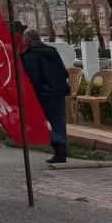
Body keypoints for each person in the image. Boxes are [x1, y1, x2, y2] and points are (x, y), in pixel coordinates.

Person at [21, 28, 71, 164]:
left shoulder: (30, 54)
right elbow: (65, 73)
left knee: (32, 122)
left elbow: (33, 78)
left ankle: (58, 142)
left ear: (28, 38)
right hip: (58, 93)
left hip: (43, 94)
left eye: (24, 38)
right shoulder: (52, 51)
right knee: (59, 124)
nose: (23, 40)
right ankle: (61, 154)